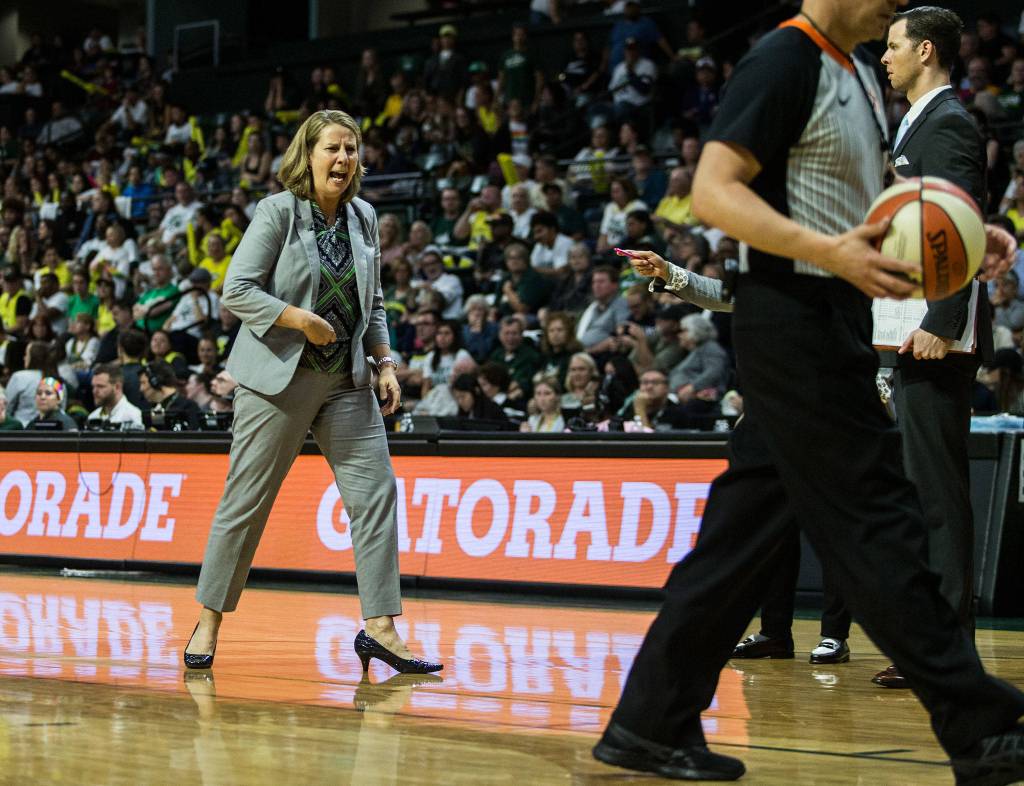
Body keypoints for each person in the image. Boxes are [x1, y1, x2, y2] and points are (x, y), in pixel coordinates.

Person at [592, 2, 1024, 783]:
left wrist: (955, 239)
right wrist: (829, 252)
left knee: (739, 538)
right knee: (879, 520)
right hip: (795, 320)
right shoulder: (786, 59)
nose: (893, 4)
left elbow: (857, 212)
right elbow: (716, 193)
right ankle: (981, 724)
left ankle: (648, 721)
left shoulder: (853, 71)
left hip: (829, 317)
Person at [183, 110, 441, 676]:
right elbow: (237, 290)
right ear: (309, 155)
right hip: (279, 379)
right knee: (245, 505)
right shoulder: (277, 212)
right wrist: (298, 318)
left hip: (347, 381)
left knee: (376, 495)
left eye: (352, 149)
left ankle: (380, 627)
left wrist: (385, 362)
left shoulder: (365, 217)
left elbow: (371, 304)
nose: (344, 159)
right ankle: (209, 618)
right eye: (333, 149)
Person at [139, 360, 202, 429]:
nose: (141, 389)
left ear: (155, 382)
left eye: (143, 383)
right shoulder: (155, 408)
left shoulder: (188, 408)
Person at [87, 363, 143, 428]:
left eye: (100, 386)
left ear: (117, 387)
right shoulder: (93, 417)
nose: (94, 391)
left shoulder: (133, 415)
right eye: (93, 386)